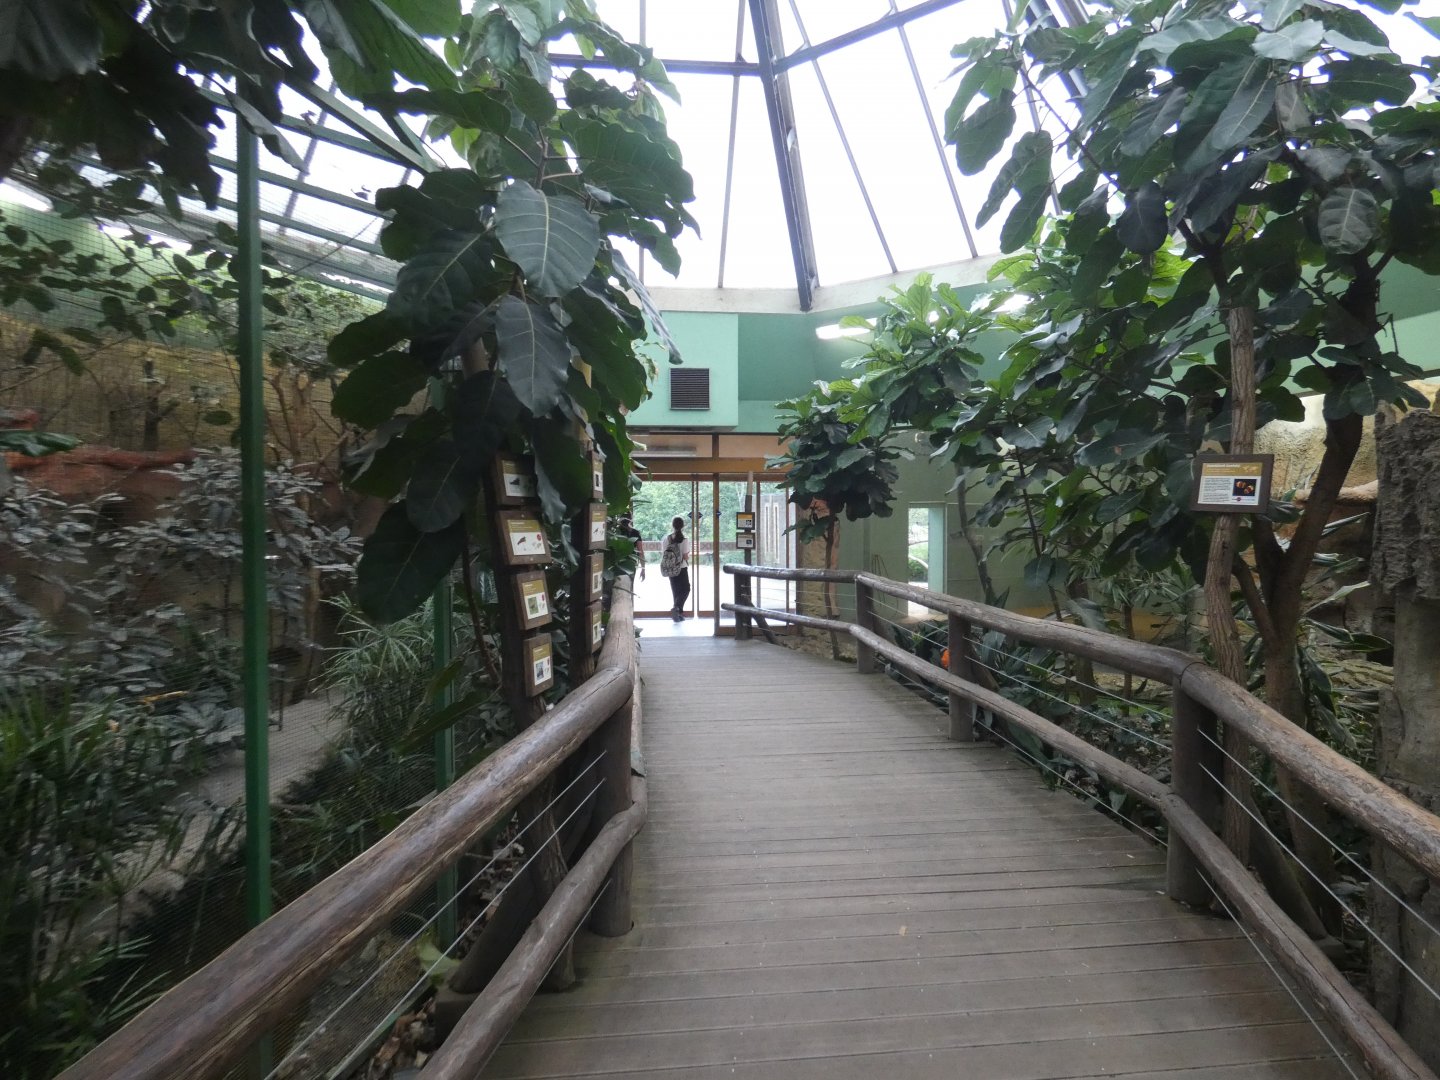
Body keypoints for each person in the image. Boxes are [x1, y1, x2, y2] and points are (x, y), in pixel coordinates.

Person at [660, 515, 691, 621]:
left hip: (669, 568)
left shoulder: (666, 539)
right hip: (681, 567)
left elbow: (664, 553)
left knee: (676, 590)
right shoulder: (684, 540)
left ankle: (677, 614)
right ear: (683, 526)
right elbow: (686, 556)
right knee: (686, 589)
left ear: (672, 525)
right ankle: (677, 608)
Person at [616, 515, 644, 580]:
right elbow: (641, 552)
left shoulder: (616, 532)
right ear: (631, 520)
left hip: (617, 561)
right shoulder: (635, 532)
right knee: (629, 584)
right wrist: (643, 568)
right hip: (631, 562)